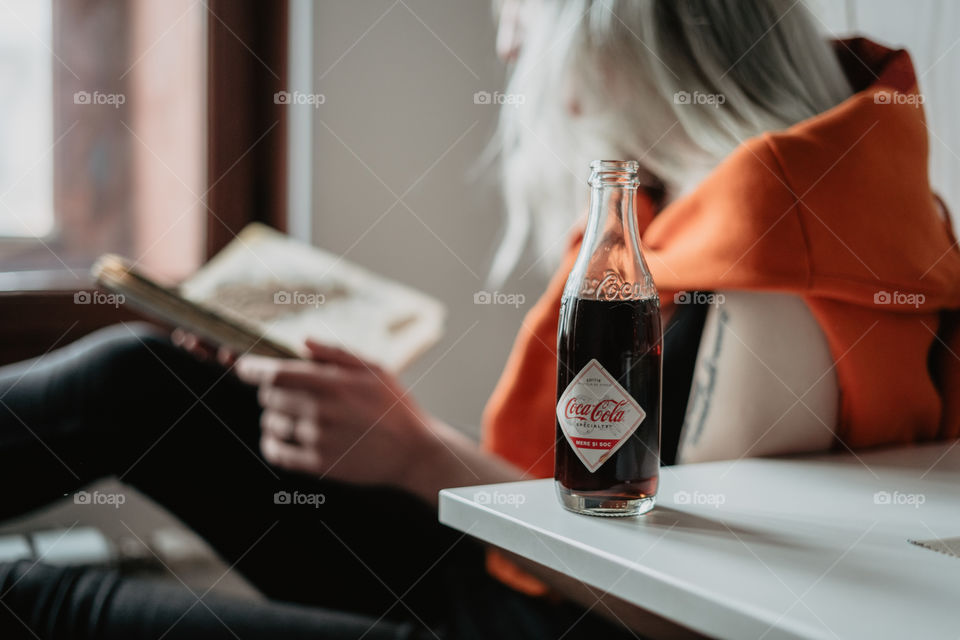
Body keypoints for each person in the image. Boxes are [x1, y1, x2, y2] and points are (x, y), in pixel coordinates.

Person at [2, 0, 959, 637]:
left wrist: (419, 454)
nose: (504, 46)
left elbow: (685, 607)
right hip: (525, 578)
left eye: (522, 14)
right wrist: (392, 436)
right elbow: (614, 489)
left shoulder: (777, 274)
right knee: (139, 375)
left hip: (560, 625)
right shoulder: (713, 203)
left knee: (49, 600)